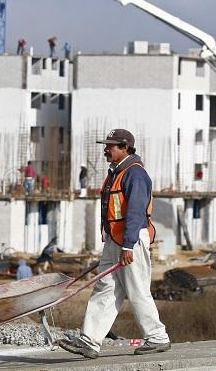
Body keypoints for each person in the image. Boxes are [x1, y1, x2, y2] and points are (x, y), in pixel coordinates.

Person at [58, 129, 170, 359]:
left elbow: (136, 213)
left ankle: (158, 337)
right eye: (106, 145)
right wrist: (112, 240)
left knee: (137, 289)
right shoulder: (116, 172)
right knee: (105, 288)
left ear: (125, 147)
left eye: (110, 146)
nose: (105, 150)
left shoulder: (135, 174)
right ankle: (89, 341)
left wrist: (128, 245)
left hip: (130, 240)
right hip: (114, 240)